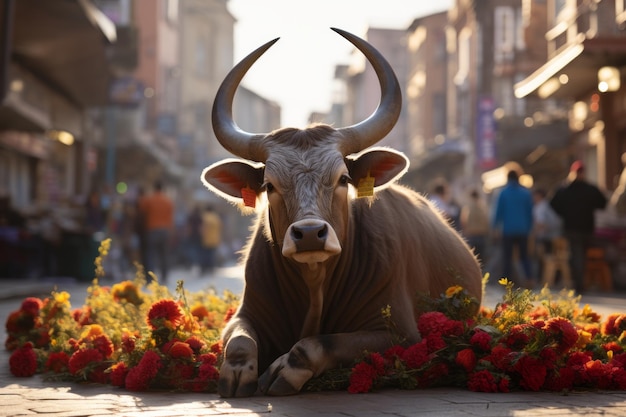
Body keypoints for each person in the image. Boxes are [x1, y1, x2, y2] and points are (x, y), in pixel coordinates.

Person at [550, 160, 607, 293]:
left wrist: (563, 213)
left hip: (572, 228)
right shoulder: (590, 188)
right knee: (581, 256)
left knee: (577, 256)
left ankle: (579, 284)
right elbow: (603, 203)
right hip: (586, 227)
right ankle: (580, 284)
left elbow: (553, 203)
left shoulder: (565, 188)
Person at [491, 170, 534, 287]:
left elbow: (498, 212)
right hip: (523, 230)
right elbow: (530, 213)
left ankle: (507, 282)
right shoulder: (526, 193)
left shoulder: (503, 193)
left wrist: (494, 228)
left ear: (507, 178)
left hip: (508, 230)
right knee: (524, 256)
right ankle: (529, 279)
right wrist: (530, 228)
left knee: (507, 257)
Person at [138, 181, 174, 283]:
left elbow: (141, 210)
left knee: (150, 255)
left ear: (154, 188)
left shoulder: (149, 200)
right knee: (164, 255)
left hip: (152, 230)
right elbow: (171, 217)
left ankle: (150, 278)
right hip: (165, 231)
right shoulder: (168, 201)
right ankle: (164, 276)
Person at [531, 188, 562, 279]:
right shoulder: (547, 205)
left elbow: (541, 224)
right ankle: (552, 278)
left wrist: (533, 234)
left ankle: (543, 278)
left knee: (542, 258)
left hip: (548, 236)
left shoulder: (541, 206)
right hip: (555, 235)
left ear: (538, 196)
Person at [460, 188, 490, 268]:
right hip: (481, 235)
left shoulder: (467, 208)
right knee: (482, 259)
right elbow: (486, 221)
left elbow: (464, 221)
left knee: (472, 259)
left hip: (471, 235)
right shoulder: (482, 207)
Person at [200, 204, 222, 274]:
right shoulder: (216, 217)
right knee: (212, 255)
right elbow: (220, 228)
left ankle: (204, 269)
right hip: (215, 239)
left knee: (204, 255)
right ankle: (211, 268)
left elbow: (203, 228)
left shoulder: (205, 217)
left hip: (206, 239)